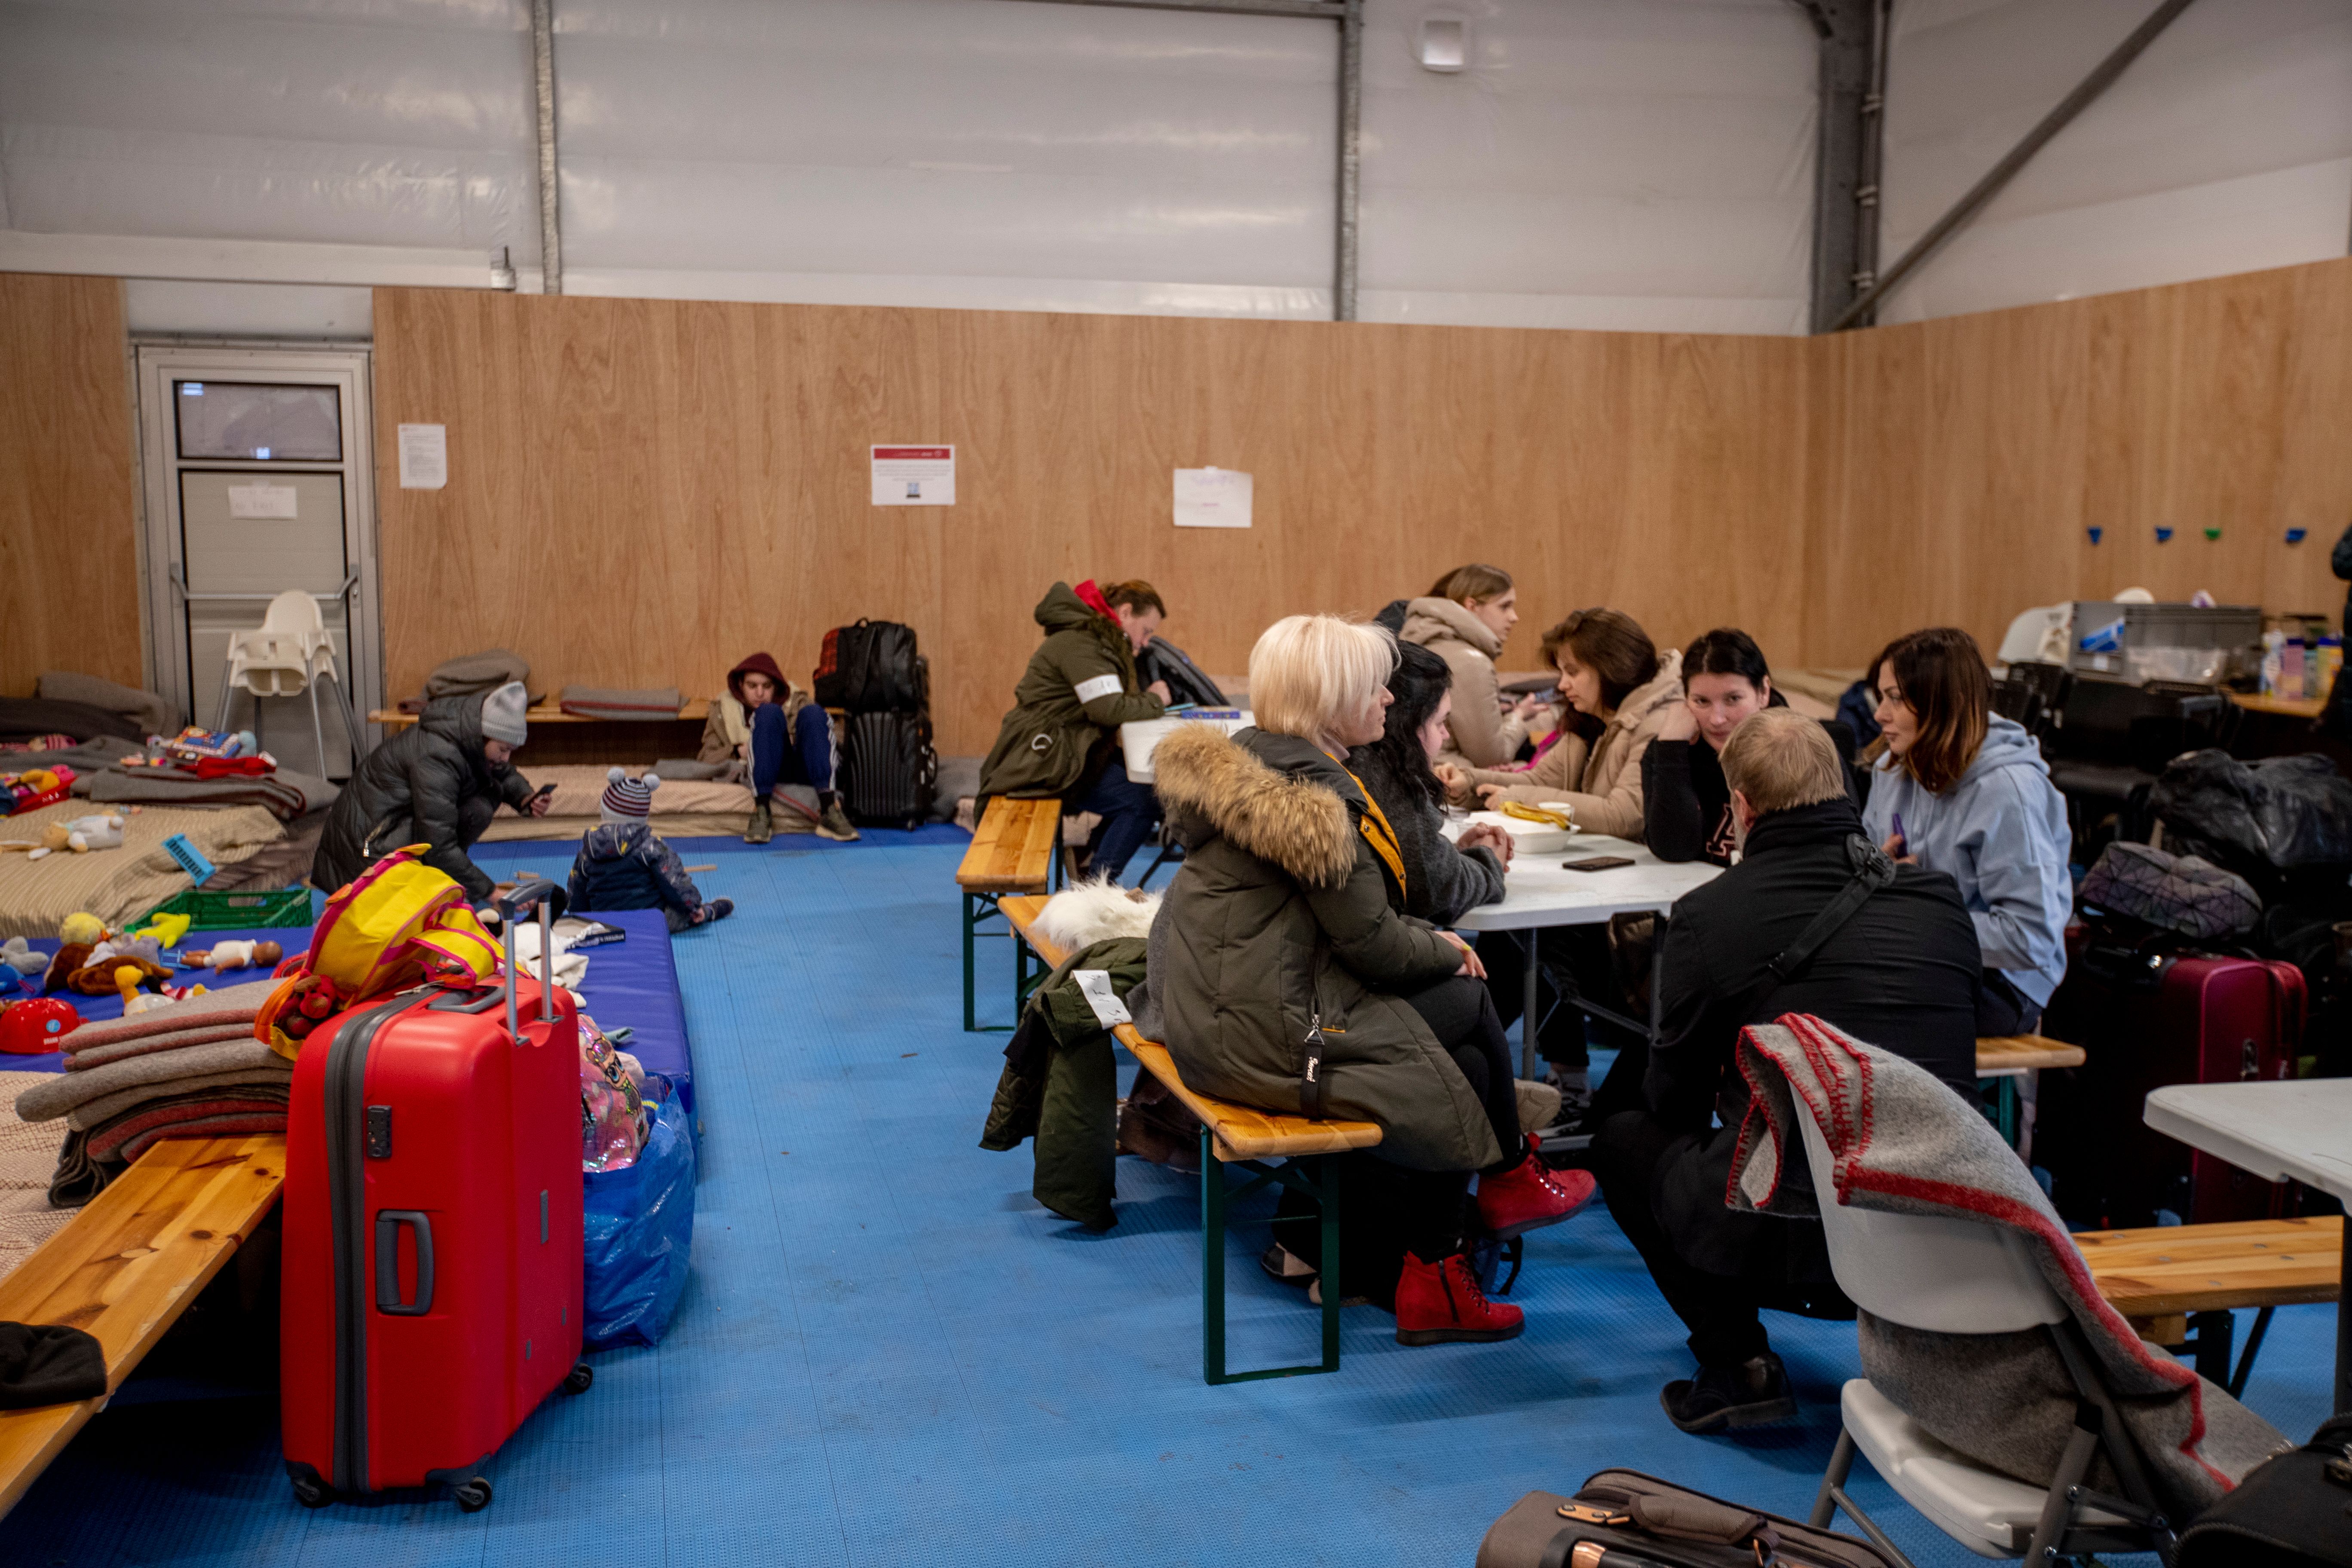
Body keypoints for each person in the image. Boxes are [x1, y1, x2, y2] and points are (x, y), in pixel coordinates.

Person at [1148, 615, 1591, 1346]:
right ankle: (1484, 1208)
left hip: (1214, 1022)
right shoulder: (1321, 803)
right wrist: (1445, 947)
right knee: (1468, 1001)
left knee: (1463, 1044)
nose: (1389, 699)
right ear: (1332, 701)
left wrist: (1431, 943)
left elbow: (1351, 926)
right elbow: (1375, 945)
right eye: (1373, 688)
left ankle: (1457, 1245)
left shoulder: (1252, 762)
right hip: (1280, 1046)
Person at [1591, 709, 1982, 1432]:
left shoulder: (1709, 914)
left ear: (1741, 807)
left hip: (1797, 1229)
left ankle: (1736, 1362)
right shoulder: (1938, 901)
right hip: (1947, 1225)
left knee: (1624, 1141)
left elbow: (1674, 1102)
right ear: (1844, 788)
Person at [1861, 628, 2072, 1035]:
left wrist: (1920, 910)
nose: (1879, 715)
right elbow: (1873, 869)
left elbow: (2030, 938)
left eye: (1896, 698)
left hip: (2004, 980)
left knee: (1860, 1006)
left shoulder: (2008, 791)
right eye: (1881, 697)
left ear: (1945, 703)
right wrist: (1875, 878)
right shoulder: (1893, 767)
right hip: (1920, 950)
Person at [979, 579, 1171, 880]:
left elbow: (1110, 704)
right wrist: (1156, 700)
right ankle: (1096, 888)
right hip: (1041, 762)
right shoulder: (1083, 644)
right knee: (1143, 801)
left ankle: (1090, 858)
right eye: (1146, 631)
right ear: (1125, 612)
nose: (1146, 642)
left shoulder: (1093, 641)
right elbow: (1108, 710)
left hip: (1061, 752)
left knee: (1143, 787)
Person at [1454, 608, 1683, 840]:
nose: (1562, 685)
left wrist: (1518, 800)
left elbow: (1624, 816)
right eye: (1562, 673)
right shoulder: (1590, 719)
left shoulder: (1657, 723)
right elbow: (1538, 781)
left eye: (1572, 672)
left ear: (1612, 668)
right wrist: (1469, 783)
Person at [311, 681, 550, 900]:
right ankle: (429, 882)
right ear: (484, 735)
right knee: (464, 818)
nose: (506, 758)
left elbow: (501, 771)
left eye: (511, 751)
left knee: (481, 802)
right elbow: (439, 843)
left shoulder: (466, 735)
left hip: (385, 830)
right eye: (503, 749)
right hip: (364, 854)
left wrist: (526, 798)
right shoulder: (438, 755)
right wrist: (491, 892)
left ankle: (441, 879)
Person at [1644, 628, 1859, 866]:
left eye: (1733, 699)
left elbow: (1838, 850)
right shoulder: (1670, 752)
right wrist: (1672, 751)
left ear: (1764, 692)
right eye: (1701, 701)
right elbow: (1674, 851)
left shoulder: (1806, 750)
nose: (1717, 719)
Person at [1346, 643, 1513, 925]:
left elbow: (1408, 868)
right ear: (1405, 726)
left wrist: (1450, 855)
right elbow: (1433, 891)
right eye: (1439, 723)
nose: (1445, 736)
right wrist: (1489, 863)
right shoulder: (1382, 774)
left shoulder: (1356, 760)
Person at [1397, 564, 1547, 768]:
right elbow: (1493, 757)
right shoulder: (1471, 662)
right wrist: (1519, 715)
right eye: (1504, 606)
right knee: (1533, 770)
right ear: (1472, 606)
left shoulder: (1421, 640)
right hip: (1445, 775)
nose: (1514, 617)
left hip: (1415, 769)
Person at [702, 651, 857, 844]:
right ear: (741, 685)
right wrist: (736, 751)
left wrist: (798, 740)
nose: (760, 693)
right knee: (767, 712)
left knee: (813, 713)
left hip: (801, 763)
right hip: (767, 770)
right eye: (752, 686)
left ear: (775, 687)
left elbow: (829, 739)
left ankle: (829, 809)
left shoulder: (797, 702)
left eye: (767, 686)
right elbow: (706, 757)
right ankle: (761, 811)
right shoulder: (722, 711)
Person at [566, 769, 735, 933]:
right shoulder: (651, 846)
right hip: (649, 922)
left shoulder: (588, 850)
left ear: (604, 810)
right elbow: (675, 882)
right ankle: (709, 911)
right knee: (682, 914)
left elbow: (576, 889)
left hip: (605, 923)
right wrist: (692, 905)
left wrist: (580, 917)